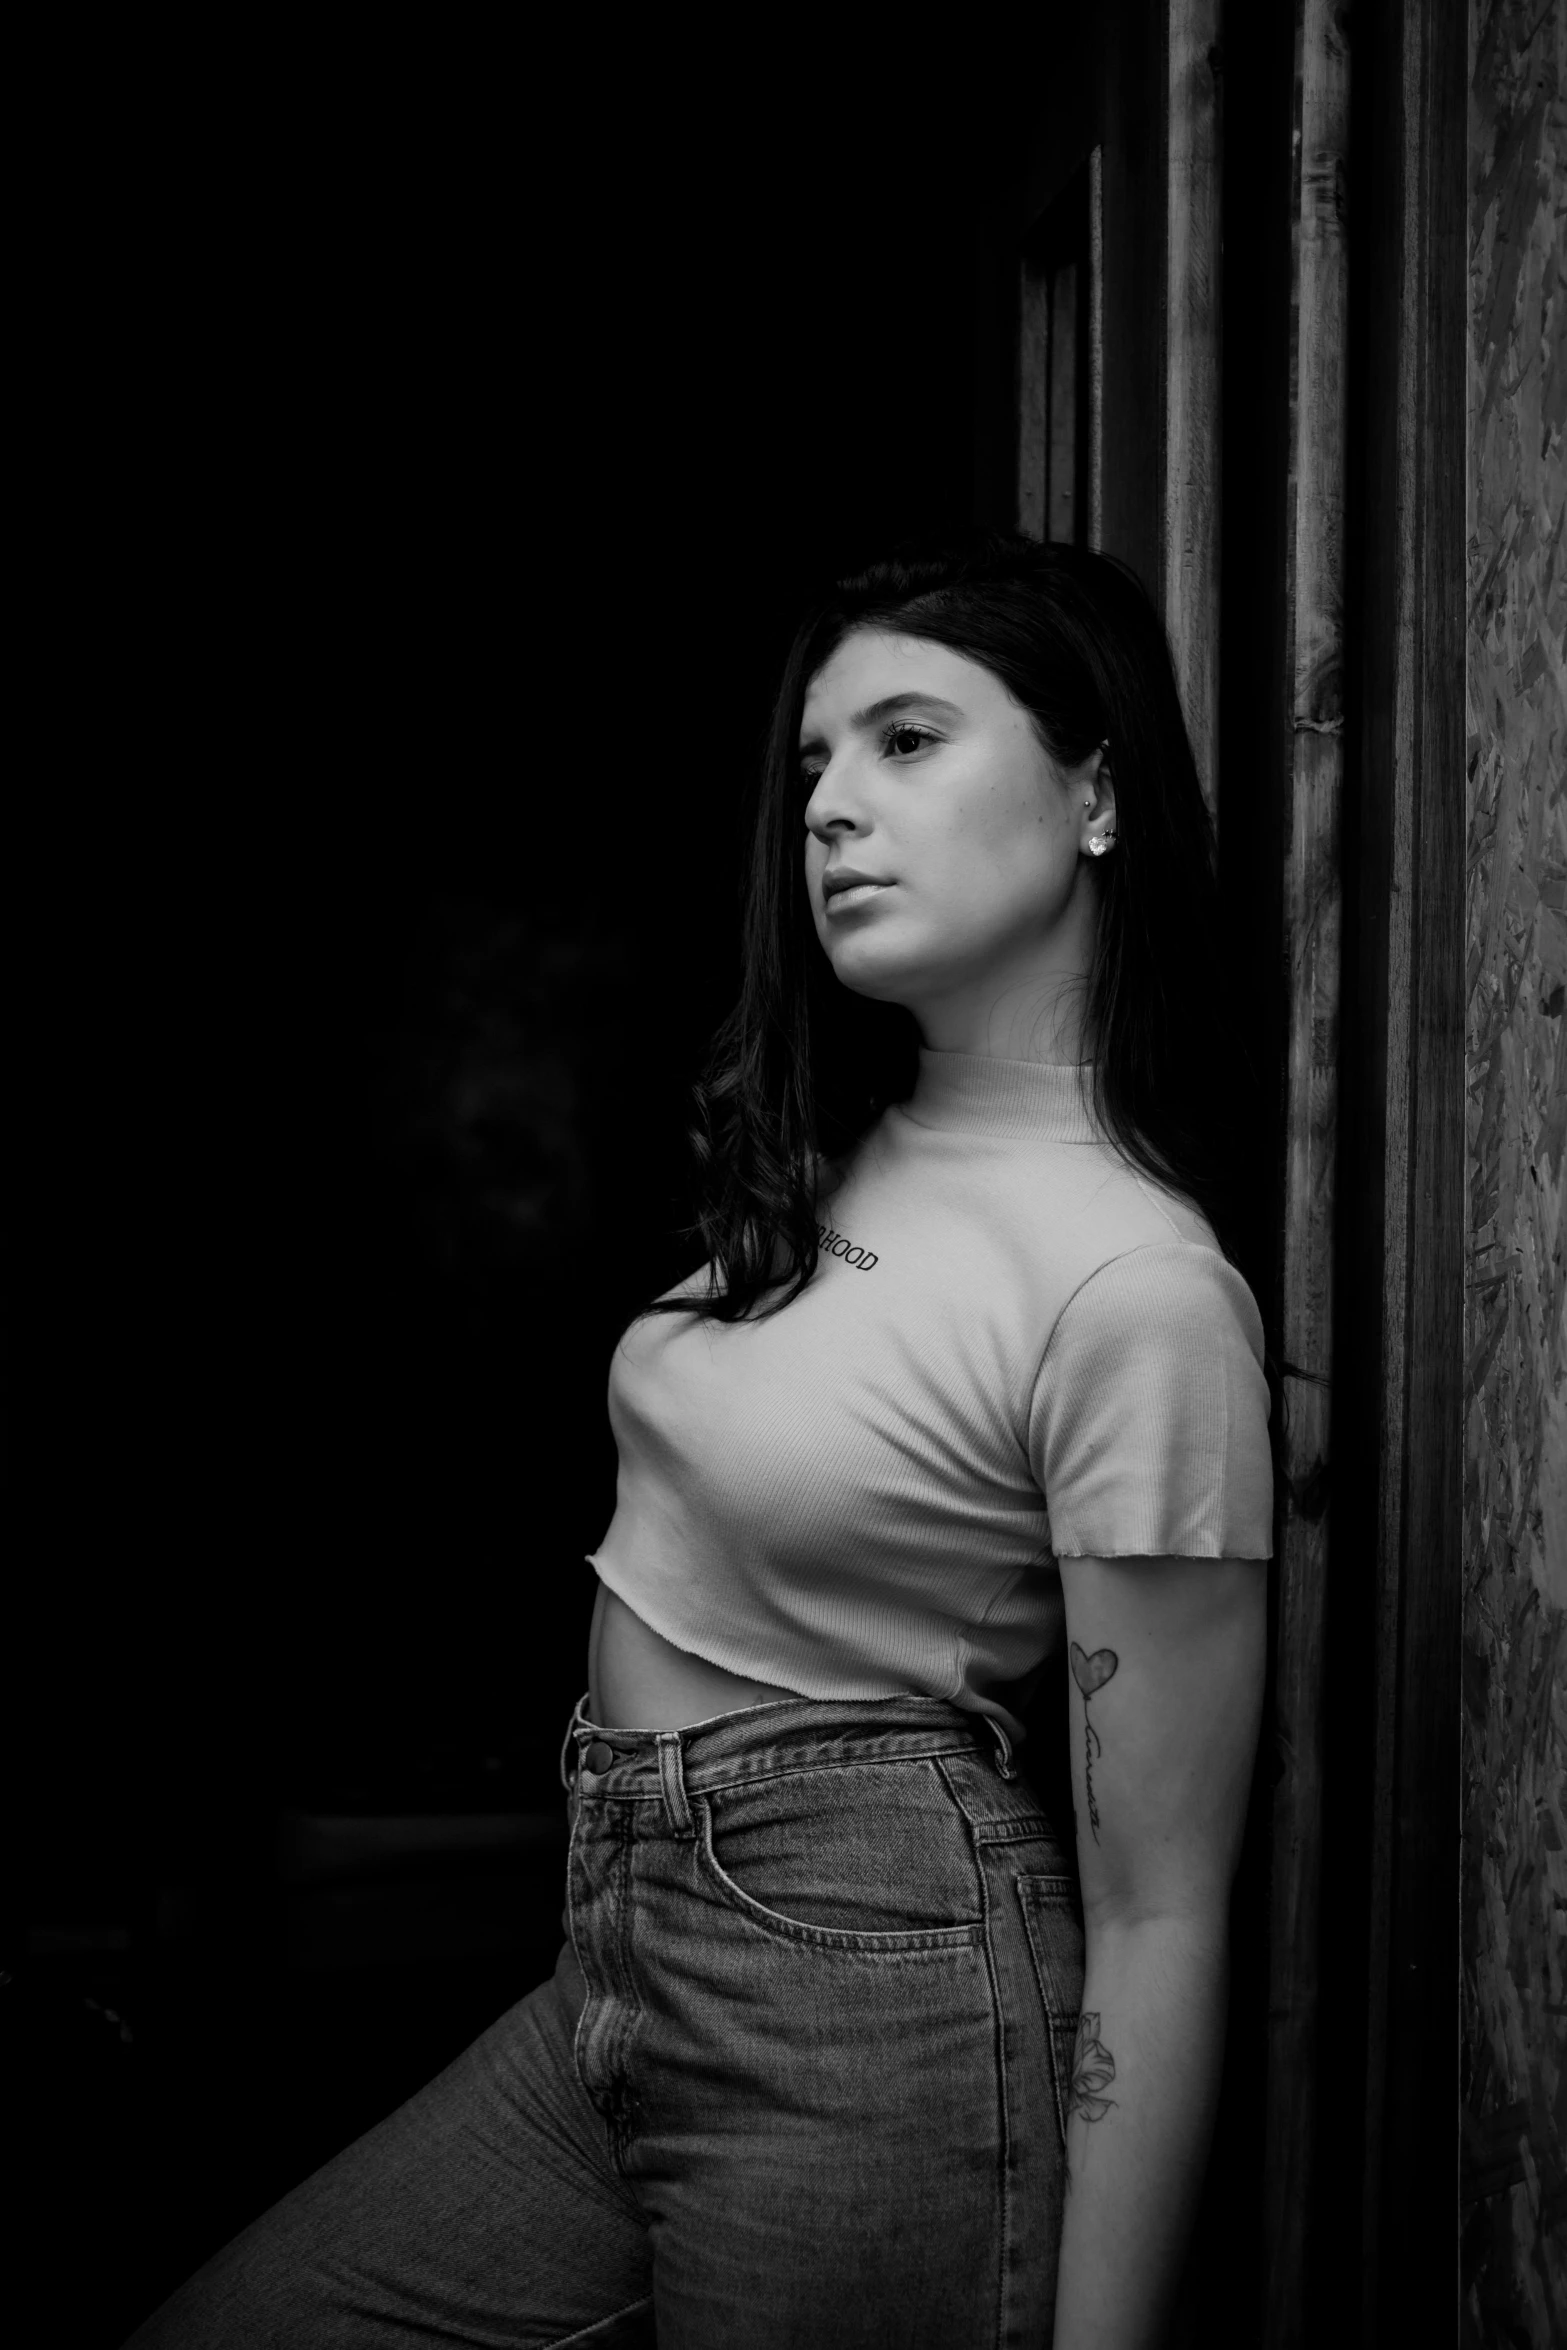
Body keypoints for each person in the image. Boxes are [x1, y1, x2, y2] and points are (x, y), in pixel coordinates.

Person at [128, 534, 1273, 2348]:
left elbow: (1161, 1906)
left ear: (1097, 794)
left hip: (867, 2005)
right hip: (621, 1953)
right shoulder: (854, 1144)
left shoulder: (1137, 1287)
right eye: (813, 762)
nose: (830, 806)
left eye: (906, 739)